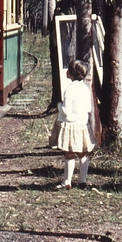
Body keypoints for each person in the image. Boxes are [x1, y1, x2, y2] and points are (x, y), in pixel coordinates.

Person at [49, 59, 95, 190]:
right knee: (82, 153)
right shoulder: (85, 88)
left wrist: (58, 105)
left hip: (69, 126)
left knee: (69, 154)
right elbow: (88, 108)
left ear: (71, 73)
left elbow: (66, 111)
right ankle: (82, 180)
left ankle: (67, 182)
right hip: (82, 125)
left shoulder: (69, 89)